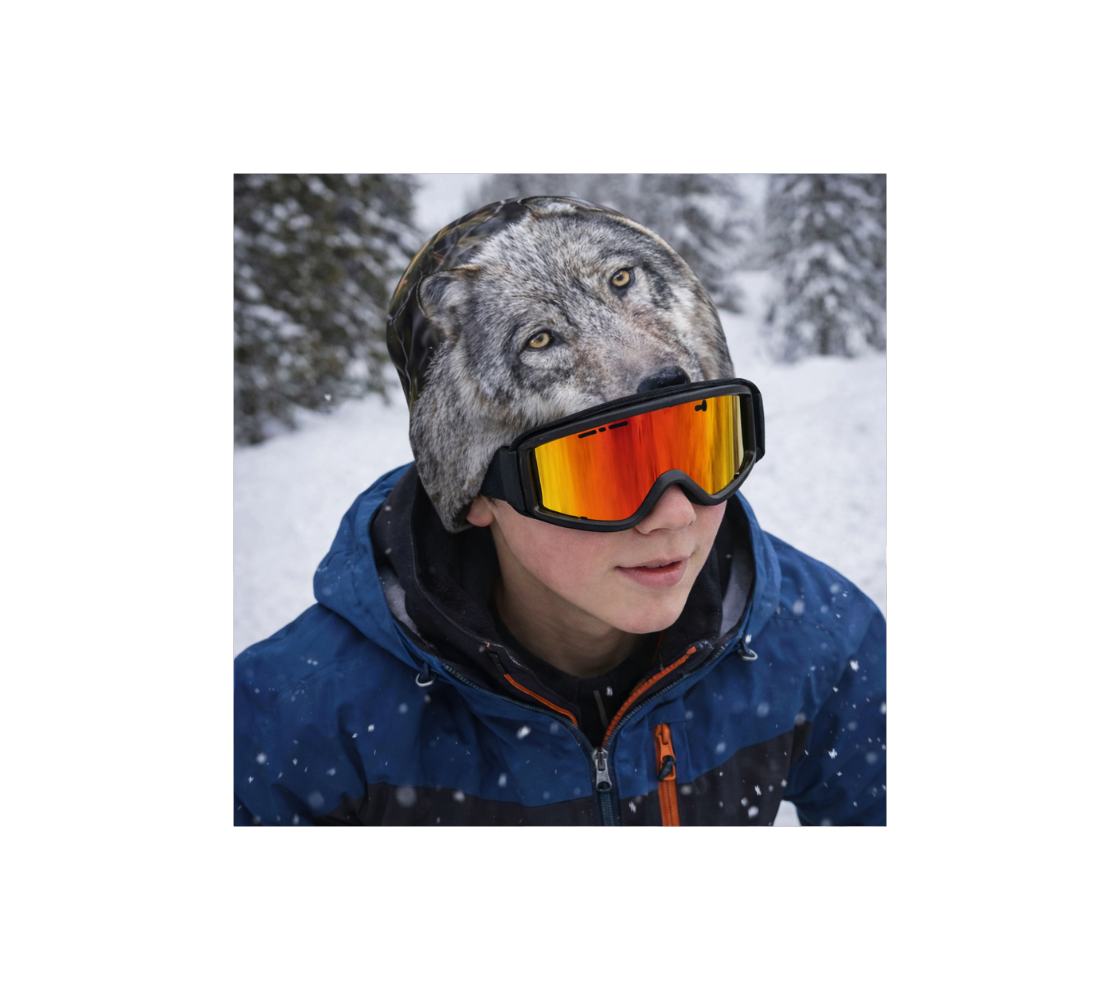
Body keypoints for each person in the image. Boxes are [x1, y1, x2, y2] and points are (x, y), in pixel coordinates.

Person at [233, 196, 887, 826]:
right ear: (479, 492)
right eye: (598, 472)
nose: (674, 516)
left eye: (698, 443)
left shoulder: (823, 640)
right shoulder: (296, 717)